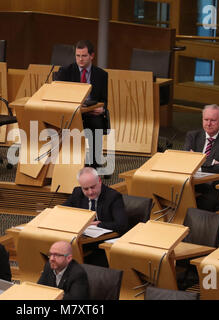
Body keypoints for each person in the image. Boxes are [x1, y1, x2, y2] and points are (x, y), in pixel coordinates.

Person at [55, 40, 109, 169]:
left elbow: (104, 99)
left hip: (92, 113)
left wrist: (102, 109)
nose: (80, 59)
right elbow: (58, 96)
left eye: (84, 56)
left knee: (96, 124)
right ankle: (69, 165)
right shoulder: (65, 71)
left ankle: (94, 166)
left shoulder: (101, 75)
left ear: (92, 56)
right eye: (78, 55)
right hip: (72, 113)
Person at [183, 104, 219, 211]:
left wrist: (198, 163)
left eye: (213, 120)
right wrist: (212, 162)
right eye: (206, 119)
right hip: (193, 181)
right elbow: (185, 160)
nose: (208, 124)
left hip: (215, 185)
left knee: (202, 204)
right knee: (176, 191)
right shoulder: (192, 136)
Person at [63, 167, 128, 235]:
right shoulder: (78, 192)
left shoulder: (113, 196)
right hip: (82, 236)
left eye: (93, 187)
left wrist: (99, 224)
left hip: (105, 238)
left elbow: (122, 224)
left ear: (99, 181)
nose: (90, 192)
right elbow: (62, 211)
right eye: (85, 189)